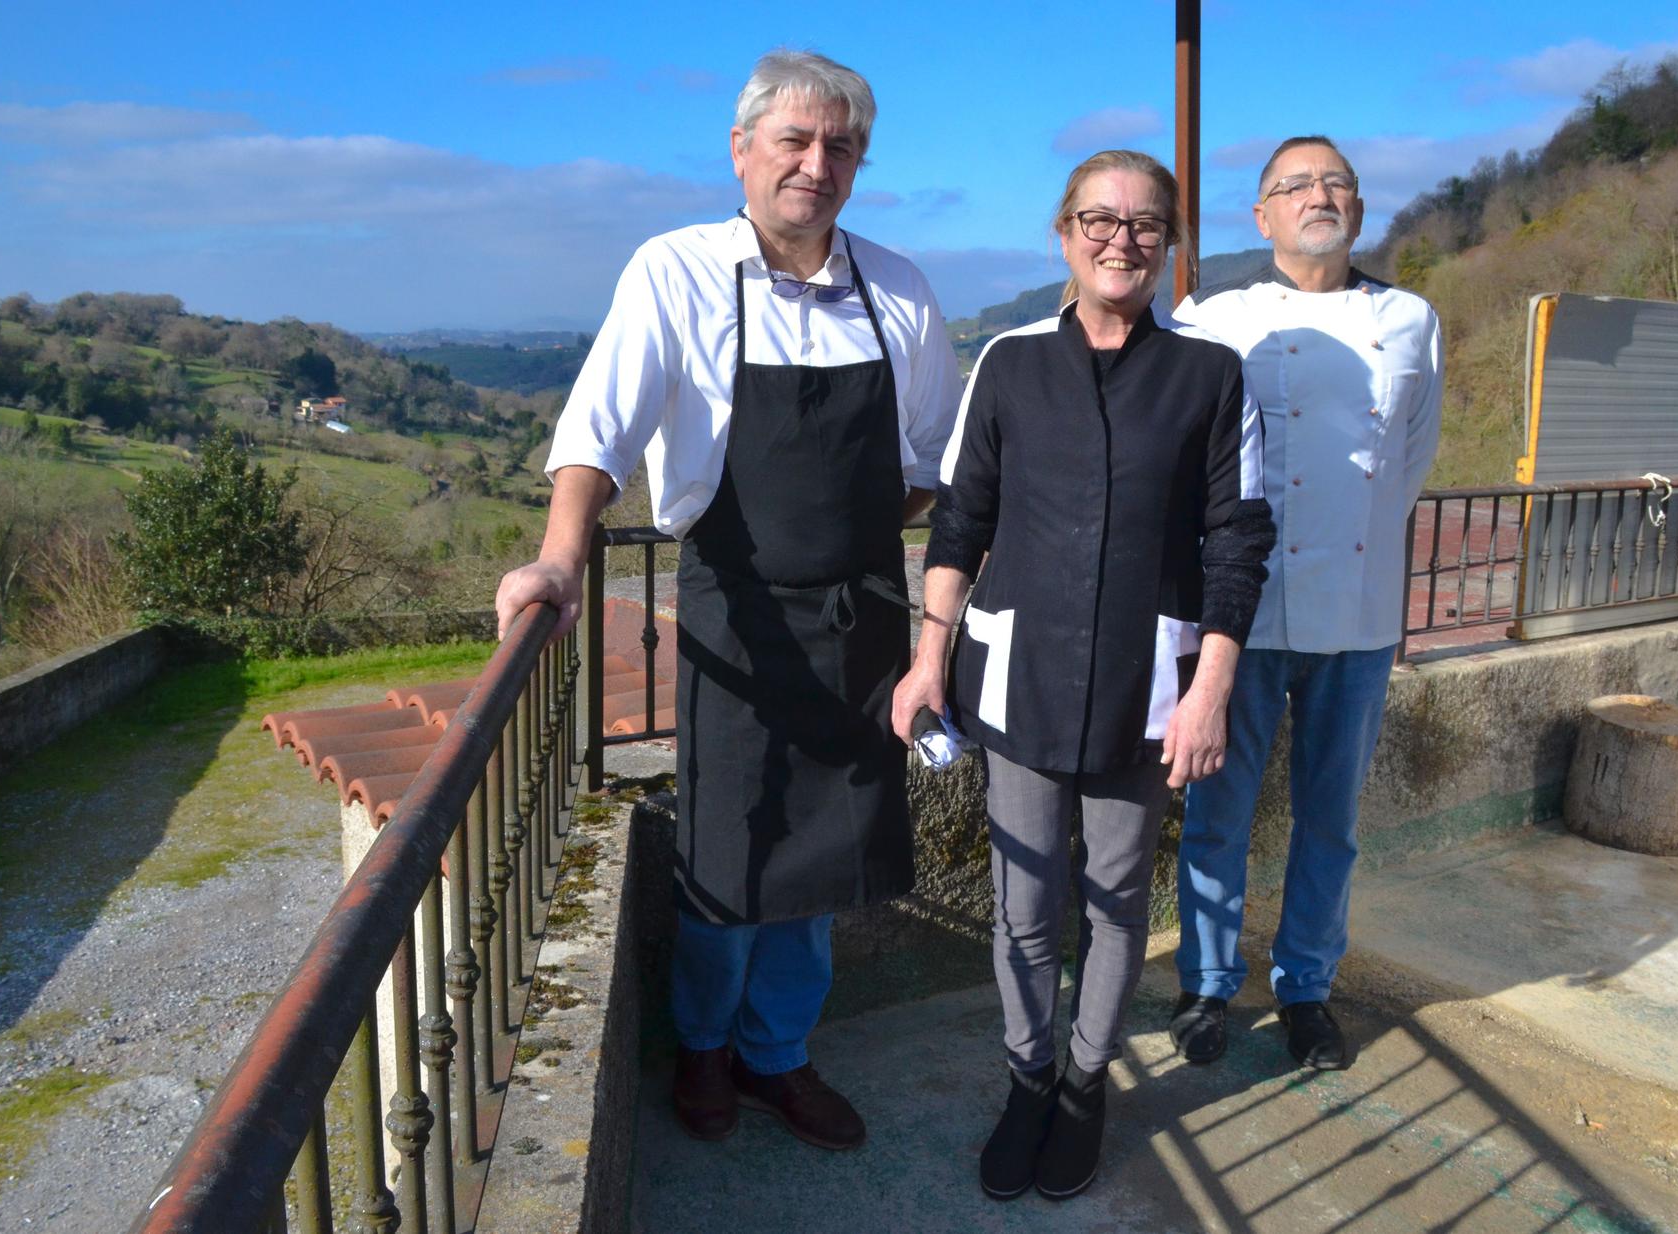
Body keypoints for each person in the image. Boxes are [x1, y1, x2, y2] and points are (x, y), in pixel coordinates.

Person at [493, 49, 960, 1151]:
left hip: (858, 614)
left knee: (824, 853)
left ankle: (777, 1056)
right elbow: (599, 427)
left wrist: (846, 529)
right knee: (726, 848)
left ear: (858, 165)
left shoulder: (897, 286)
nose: (815, 164)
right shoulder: (676, 268)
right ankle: (703, 1049)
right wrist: (561, 557)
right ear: (740, 151)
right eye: (793, 142)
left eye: (838, 146)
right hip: (732, 611)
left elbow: (934, 454)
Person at [894, 150, 1274, 1201]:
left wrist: (1209, 689)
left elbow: (1236, 539)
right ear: (1061, 233)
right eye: (1098, 219)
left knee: (1112, 899)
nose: (1121, 238)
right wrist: (928, 657)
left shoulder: (1206, 375)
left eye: (1146, 223)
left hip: (1142, 686)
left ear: (1169, 244)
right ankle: (1026, 1075)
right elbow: (962, 517)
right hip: (1013, 679)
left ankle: (1082, 1081)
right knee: (1021, 905)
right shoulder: (1009, 365)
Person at [1169, 135, 1442, 1073]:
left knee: (1332, 821)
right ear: (1263, 216)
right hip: (1237, 617)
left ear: (1359, 209)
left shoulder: (1410, 317)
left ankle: (1306, 990)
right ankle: (1205, 986)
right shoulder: (1216, 316)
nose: (1318, 196)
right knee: (1217, 813)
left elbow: (1408, 459)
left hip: (1357, 618)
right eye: (1296, 185)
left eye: (1336, 184)